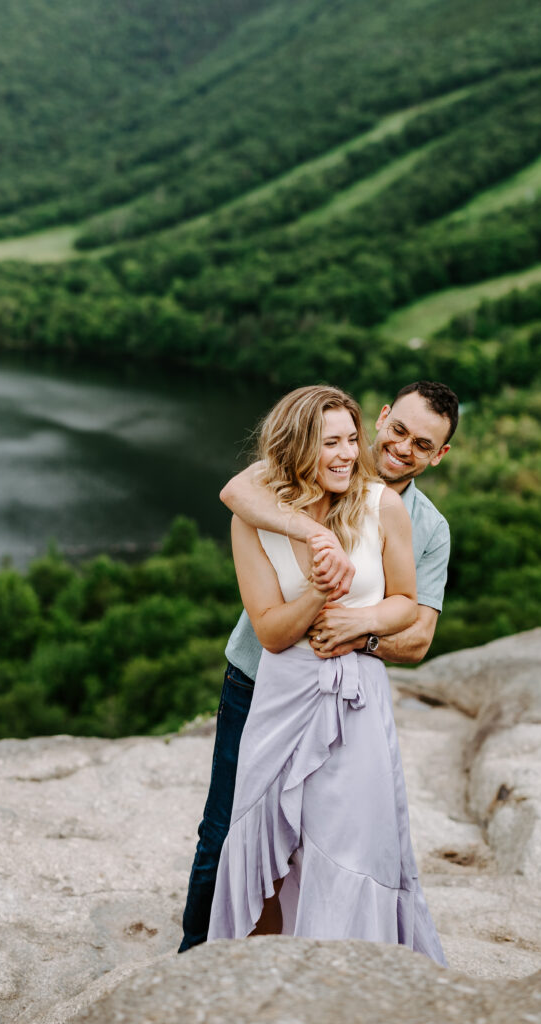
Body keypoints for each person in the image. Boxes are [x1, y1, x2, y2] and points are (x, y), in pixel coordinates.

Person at [179, 380, 458, 953]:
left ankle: (330, 961)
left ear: (439, 455)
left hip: (348, 691)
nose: (403, 447)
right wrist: (308, 536)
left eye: (422, 444)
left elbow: (417, 633)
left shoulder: (422, 524)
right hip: (260, 681)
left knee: (339, 835)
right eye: (398, 430)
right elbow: (237, 491)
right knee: (228, 828)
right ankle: (196, 960)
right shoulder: (279, 490)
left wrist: (357, 632)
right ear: (383, 418)